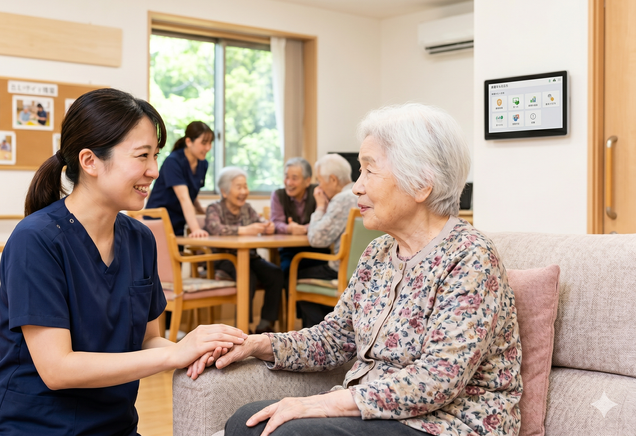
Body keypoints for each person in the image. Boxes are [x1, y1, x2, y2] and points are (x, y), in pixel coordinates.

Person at [210, 103, 522, 436]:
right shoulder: (378, 253)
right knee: (245, 421)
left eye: (369, 171)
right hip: (376, 414)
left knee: (288, 433)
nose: (356, 187)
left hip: (445, 424)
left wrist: (320, 405)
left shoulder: (470, 256)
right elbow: (334, 339)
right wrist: (260, 344)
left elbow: (438, 379)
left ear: (421, 184)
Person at [0, 88, 246, 436]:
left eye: (157, 156)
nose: (154, 171)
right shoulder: (36, 239)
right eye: (142, 156)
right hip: (35, 426)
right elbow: (57, 369)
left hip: (115, 426)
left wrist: (200, 349)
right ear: (89, 161)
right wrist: (175, 355)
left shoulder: (139, 239)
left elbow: (149, 341)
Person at [204, 167, 284, 334]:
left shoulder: (247, 208)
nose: (244, 191)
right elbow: (215, 228)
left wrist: (267, 227)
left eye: (245, 186)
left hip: (250, 256)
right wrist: (246, 230)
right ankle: (243, 327)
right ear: (224, 192)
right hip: (224, 258)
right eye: (238, 187)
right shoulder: (214, 208)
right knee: (248, 276)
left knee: (275, 274)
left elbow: (261, 222)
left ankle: (265, 324)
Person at [293, 153, 356, 327]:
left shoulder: (343, 198)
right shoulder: (363, 194)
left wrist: (320, 206)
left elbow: (316, 239)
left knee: (296, 274)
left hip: (341, 270)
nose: (319, 186)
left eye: (320, 181)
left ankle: (316, 331)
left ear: (333, 180)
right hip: (364, 269)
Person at [145, 121, 213, 237]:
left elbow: (191, 192)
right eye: (204, 143)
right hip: (158, 220)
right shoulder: (173, 161)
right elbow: (184, 198)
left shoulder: (203, 164)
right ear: (188, 141)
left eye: (210, 143)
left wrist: (200, 208)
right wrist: (195, 229)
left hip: (178, 221)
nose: (208, 147)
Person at [269, 157, 330, 276]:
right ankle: (289, 295)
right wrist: (289, 229)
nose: (288, 182)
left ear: (307, 181)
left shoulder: (318, 192)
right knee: (287, 271)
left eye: (294, 178)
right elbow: (275, 222)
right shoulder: (278, 195)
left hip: (317, 248)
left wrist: (304, 229)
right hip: (289, 251)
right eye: (286, 177)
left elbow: (326, 219)